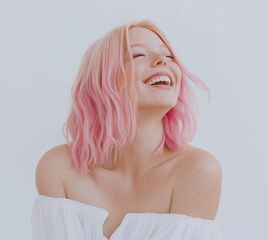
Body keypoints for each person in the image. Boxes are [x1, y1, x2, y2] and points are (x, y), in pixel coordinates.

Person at [32, 20, 222, 240]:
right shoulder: (58, 168)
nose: (163, 61)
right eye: (138, 55)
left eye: (169, 57)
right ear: (102, 80)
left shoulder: (196, 171)